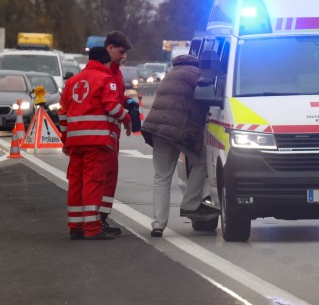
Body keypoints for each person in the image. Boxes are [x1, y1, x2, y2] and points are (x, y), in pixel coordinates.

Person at [141, 54, 217, 237]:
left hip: (157, 129)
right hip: (178, 130)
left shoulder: (170, 74)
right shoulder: (197, 75)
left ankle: (158, 225)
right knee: (201, 163)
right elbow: (206, 101)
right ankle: (190, 205)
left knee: (161, 177)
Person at [58, 46, 128, 241]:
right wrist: (128, 118)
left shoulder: (71, 82)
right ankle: (92, 228)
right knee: (93, 182)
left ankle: (76, 226)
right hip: (96, 142)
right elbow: (112, 107)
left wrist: (66, 140)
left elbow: (62, 113)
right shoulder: (106, 79)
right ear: (105, 62)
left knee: (76, 182)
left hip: (75, 142)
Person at [98, 30, 136, 235]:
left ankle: (100, 219)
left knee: (109, 177)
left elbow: (115, 98)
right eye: (121, 52)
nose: (124, 57)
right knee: (101, 178)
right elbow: (109, 103)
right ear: (110, 48)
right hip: (102, 134)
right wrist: (127, 119)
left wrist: (126, 103)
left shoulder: (116, 71)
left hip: (111, 133)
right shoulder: (105, 71)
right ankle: (96, 221)